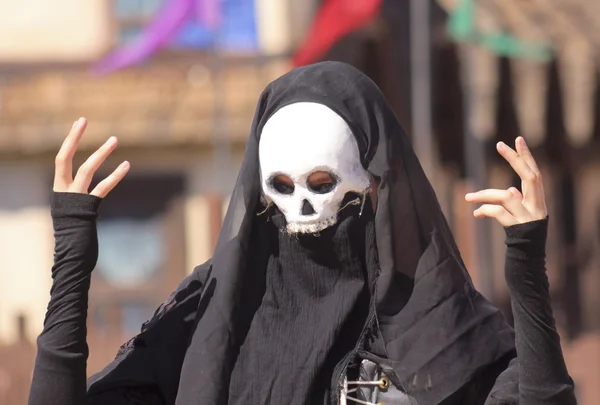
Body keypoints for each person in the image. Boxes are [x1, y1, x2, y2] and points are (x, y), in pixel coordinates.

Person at [28, 61, 576, 405]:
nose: (305, 205)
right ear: (261, 192)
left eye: (322, 182)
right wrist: (73, 255)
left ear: (372, 182)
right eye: (283, 186)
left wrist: (526, 268)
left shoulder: (436, 324)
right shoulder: (209, 317)